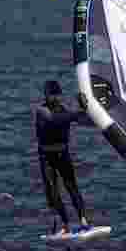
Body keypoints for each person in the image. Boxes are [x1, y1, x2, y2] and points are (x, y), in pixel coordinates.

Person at [35, 79, 91, 234]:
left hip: (63, 155)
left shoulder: (65, 110)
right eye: (51, 95)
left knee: (71, 187)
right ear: (46, 96)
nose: (54, 98)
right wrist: (78, 112)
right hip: (47, 158)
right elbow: (54, 120)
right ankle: (66, 224)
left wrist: (86, 108)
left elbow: (85, 121)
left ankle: (83, 220)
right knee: (53, 193)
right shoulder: (42, 111)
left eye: (57, 95)